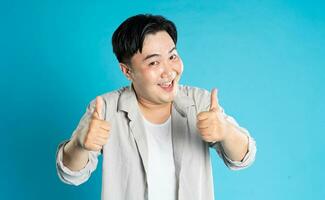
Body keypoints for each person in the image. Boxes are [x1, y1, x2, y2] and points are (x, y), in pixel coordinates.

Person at [56, 14, 256, 200]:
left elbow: (243, 158)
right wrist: (79, 146)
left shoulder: (199, 102)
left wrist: (226, 132)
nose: (168, 72)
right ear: (127, 71)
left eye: (172, 57)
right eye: (154, 63)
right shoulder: (105, 109)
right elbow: (71, 174)